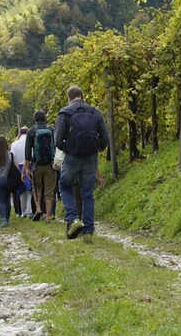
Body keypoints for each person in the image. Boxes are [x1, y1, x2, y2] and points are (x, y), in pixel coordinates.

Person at [55, 85, 108, 244]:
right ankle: (88, 232)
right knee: (87, 195)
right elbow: (104, 138)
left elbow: (57, 140)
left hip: (72, 157)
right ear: (82, 96)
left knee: (64, 186)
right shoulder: (95, 112)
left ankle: (73, 218)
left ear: (69, 98)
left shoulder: (64, 113)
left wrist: (69, 149)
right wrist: (96, 149)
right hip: (90, 158)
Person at [25, 109, 57, 222]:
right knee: (49, 190)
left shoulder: (31, 131)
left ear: (35, 119)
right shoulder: (51, 130)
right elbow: (56, 146)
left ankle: (38, 209)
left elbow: (27, 153)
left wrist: (26, 169)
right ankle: (48, 216)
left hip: (36, 165)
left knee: (36, 187)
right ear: (45, 118)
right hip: (50, 165)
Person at [0, 135, 20, 227]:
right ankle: (7, 219)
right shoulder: (10, 154)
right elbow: (16, 167)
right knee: (7, 200)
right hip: (7, 180)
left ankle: (3, 219)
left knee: (0, 200)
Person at [10, 127, 32, 217]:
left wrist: (17, 170)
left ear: (20, 133)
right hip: (28, 166)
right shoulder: (30, 142)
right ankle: (29, 210)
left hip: (18, 167)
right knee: (30, 190)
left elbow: (12, 157)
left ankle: (22, 211)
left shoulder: (14, 144)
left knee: (21, 192)